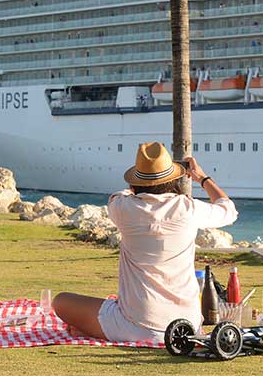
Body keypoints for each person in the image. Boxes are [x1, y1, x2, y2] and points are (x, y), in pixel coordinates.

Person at [53, 142, 237, 342]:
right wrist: (201, 177)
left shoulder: (123, 207)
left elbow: (121, 194)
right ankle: (93, 330)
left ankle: (93, 330)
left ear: (136, 180)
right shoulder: (188, 209)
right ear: (174, 177)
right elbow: (229, 210)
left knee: (60, 301)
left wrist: (138, 182)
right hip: (186, 327)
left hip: (136, 326)